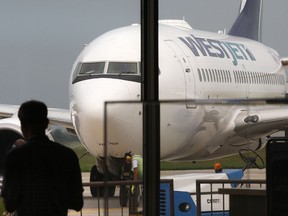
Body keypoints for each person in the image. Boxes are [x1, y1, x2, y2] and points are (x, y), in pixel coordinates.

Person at [1, 100, 83, 216]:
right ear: (46, 123)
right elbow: (77, 203)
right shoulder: (67, 156)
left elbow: (9, 204)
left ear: (22, 125)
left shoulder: (16, 157)